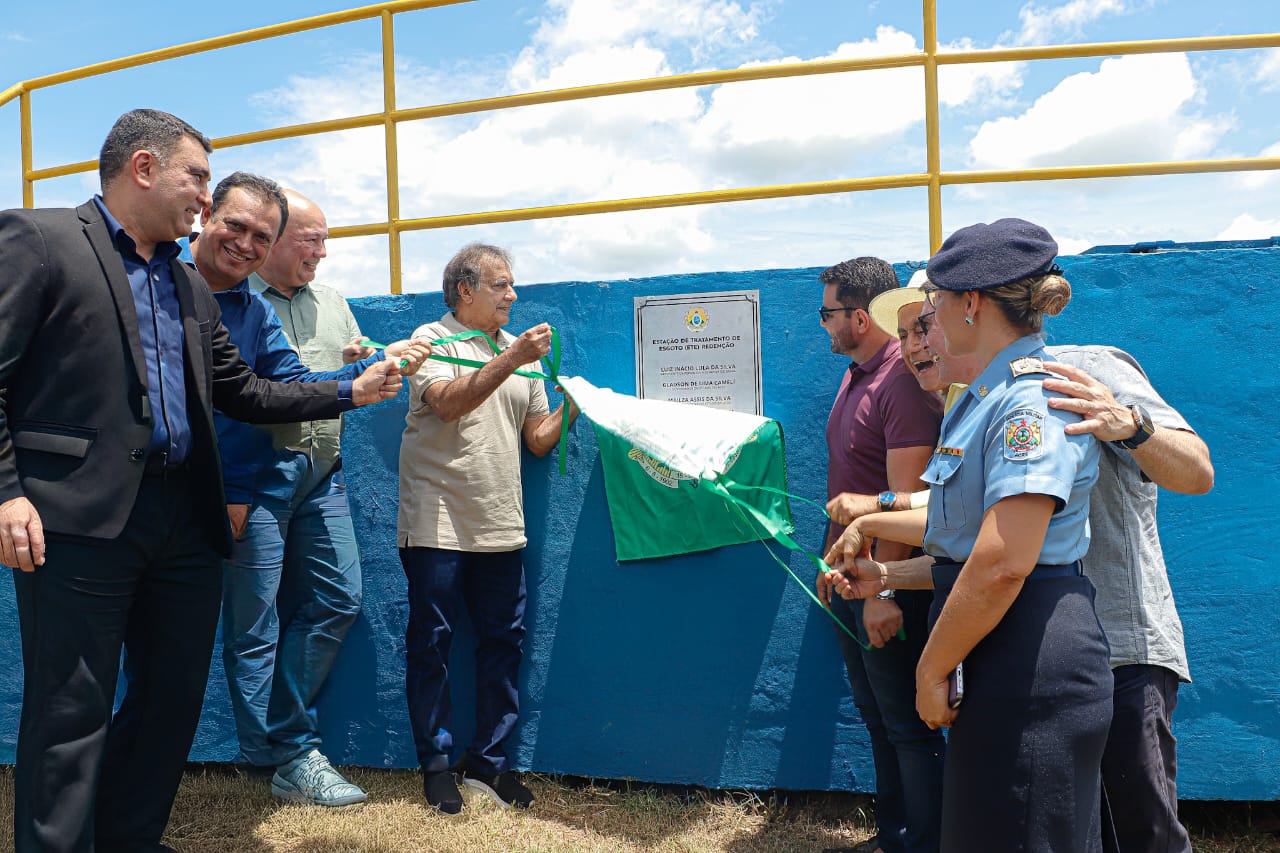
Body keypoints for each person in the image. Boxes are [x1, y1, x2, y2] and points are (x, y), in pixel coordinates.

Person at [0, 109, 402, 852]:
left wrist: (351, 390)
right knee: (70, 708)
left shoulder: (185, 285)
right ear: (144, 168)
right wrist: (7, 490)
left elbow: (246, 390)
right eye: (198, 178)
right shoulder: (43, 239)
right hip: (77, 519)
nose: (202, 198)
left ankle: (129, 837)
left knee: (171, 697)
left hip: (183, 519)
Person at [840, 277, 1214, 853]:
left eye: (925, 321)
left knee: (1145, 837)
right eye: (905, 332)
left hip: (1121, 651)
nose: (914, 345)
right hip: (1025, 653)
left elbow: (1198, 471)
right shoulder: (975, 404)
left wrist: (1132, 426)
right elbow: (982, 548)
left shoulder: (1075, 371)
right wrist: (888, 574)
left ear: (970, 310)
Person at [828, 218, 1111, 852]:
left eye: (936, 302)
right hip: (995, 637)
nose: (929, 315)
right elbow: (961, 533)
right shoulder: (981, 397)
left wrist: (931, 667)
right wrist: (884, 552)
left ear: (972, 303)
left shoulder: (1028, 399)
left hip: (1029, 651)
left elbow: (1004, 560)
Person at [191, 173, 431, 806]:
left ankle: (284, 741)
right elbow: (247, 400)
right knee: (254, 622)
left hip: (323, 477)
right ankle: (286, 751)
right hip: (254, 479)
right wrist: (236, 484)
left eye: (324, 243)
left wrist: (376, 363)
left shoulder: (327, 301)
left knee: (337, 599)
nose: (320, 253)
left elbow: (299, 380)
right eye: (310, 240)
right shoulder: (233, 301)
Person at [397, 242, 577, 814]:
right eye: (501, 284)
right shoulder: (431, 338)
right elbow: (449, 403)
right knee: (433, 645)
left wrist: (570, 407)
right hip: (438, 522)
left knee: (504, 644)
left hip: (501, 525)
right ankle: (437, 767)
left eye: (512, 284)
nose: (513, 295)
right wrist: (515, 359)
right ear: (465, 290)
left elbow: (537, 440)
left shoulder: (516, 354)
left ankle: (489, 766)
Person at [816, 257, 945, 853]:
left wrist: (884, 592)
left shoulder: (902, 384)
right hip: (850, 573)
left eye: (828, 312)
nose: (822, 324)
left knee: (907, 725)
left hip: (883, 578)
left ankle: (923, 841)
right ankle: (896, 835)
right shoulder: (858, 372)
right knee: (877, 714)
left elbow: (911, 503)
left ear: (859, 317)